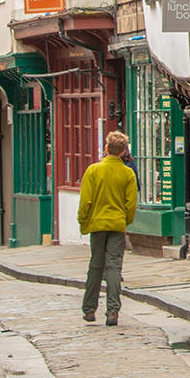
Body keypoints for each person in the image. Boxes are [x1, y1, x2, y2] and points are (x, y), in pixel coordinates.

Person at [77, 130, 138, 326]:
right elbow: (131, 204)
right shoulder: (127, 173)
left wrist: (83, 220)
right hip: (117, 224)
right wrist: (125, 220)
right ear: (123, 152)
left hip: (97, 223)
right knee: (113, 266)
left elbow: (85, 200)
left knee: (96, 265)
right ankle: (112, 310)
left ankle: (89, 308)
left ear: (106, 148)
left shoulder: (93, 171)